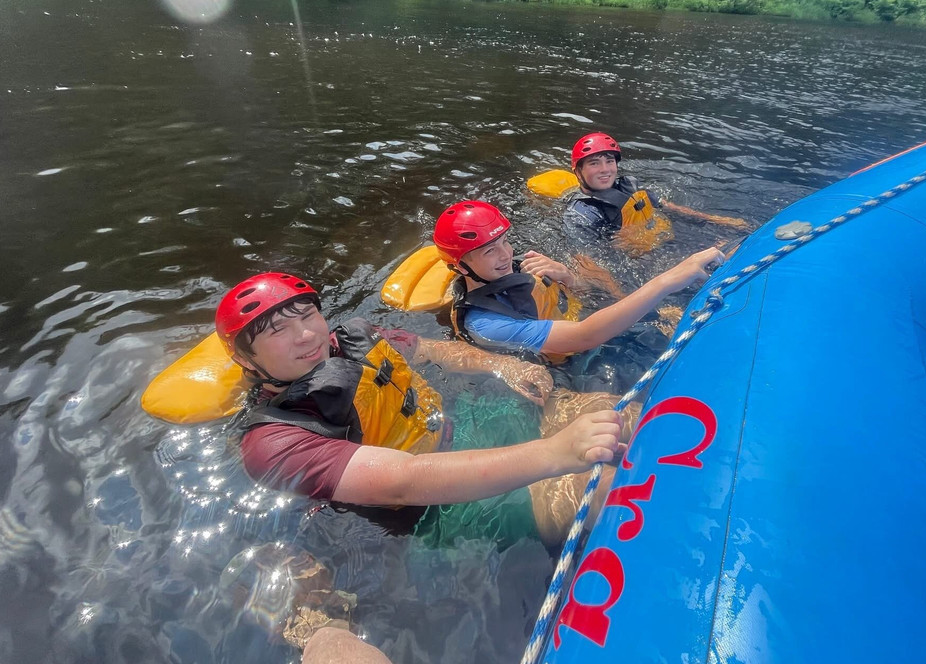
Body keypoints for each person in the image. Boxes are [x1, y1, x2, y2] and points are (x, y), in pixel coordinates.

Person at [216, 272, 631, 548]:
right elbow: (403, 482)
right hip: (438, 507)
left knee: (612, 412)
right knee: (596, 487)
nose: (306, 335)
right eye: (278, 331)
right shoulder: (272, 440)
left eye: (307, 316)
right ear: (247, 361)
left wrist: (502, 364)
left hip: (465, 424)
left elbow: (435, 350)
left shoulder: (357, 337)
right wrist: (555, 453)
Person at [433, 200, 725, 362]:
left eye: (505, 242)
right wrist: (666, 281)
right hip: (569, 367)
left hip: (588, 326)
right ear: (459, 266)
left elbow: (584, 297)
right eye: (489, 250)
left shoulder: (520, 266)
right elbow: (584, 336)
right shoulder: (485, 323)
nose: (506, 254)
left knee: (681, 319)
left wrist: (568, 277)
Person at [565, 132, 749, 255]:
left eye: (609, 161)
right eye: (594, 163)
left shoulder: (629, 186)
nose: (605, 169)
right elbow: (590, 258)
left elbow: (669, 207)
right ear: (578, 171)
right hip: (637, 258)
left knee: (728, 245)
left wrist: (718, 220)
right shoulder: (582, 214)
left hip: (661, 238)